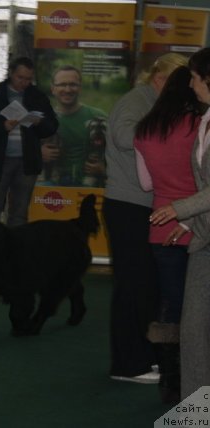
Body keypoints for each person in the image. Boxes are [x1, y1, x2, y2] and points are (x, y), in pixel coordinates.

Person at [103, 52, 188, 384]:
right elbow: (124, 137)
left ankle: (144, 356)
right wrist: (161, 127)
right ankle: (127, 364)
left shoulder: (151, 101)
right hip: (128, 206)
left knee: (146, 285)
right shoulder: (136, 101)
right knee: (132, 285)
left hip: (142, 206)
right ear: (159, 79)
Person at [133, 65, 202, 403]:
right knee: (198, 310)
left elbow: (146, 183)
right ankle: (196, 384)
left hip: (161, 225)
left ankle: (169, 382)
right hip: (199, 223)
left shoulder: (144, 130)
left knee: (170, 305)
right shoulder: (198, 126)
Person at [149, 47, 210, 399]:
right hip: (203, 241)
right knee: (193, 334)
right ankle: (196, 416)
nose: (190, 83)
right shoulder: (204, 119)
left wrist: (180, 210)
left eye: (195, 76)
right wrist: (188, 224)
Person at [0, 56, 58, 226]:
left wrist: (39, 122)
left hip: (27, 164)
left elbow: (52, 126)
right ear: (11, 73)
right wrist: (2, 126)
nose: (24, 83)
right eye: (20, 78)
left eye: (28, 79)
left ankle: (15, 249)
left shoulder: (38, 97)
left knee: (19, 213)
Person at [47, 65, 107, 187]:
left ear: (80, 88)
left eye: (73, 84)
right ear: (53, 89)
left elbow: (120, 153)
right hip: (55, 189)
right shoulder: (44, 120)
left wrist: (104, 168)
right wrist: (38, 154)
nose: (68, 89)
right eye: (62, 85)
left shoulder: (98, 117)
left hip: (91, 187)